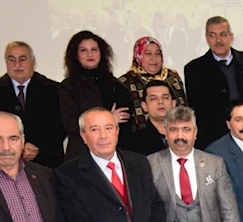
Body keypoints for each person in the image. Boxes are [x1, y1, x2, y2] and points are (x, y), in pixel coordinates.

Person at [0, 41, 65, 168]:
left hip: (48, 164)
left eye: (22, 59)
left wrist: (37, 148)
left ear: (33, 62)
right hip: (5, 164)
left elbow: (62, 127)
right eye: (11, 60)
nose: (17, 65)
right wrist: (19, 147)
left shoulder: (55, 90)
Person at [184, 16, 243, 149]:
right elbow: (197, 111)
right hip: (213, 142)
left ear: (231, 36)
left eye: (223, 34)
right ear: (206, 38)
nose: (218, 40)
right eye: (212, 35)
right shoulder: (194, 69)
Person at [59, 31, 133, 162]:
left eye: (94, 49)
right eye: (83, 50)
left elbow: (127, 116)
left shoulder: (115, 83)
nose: (90, 54)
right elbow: (70, 123)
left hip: (115, 152)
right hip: (81, 155)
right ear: (76, 55)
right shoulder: (68, 86)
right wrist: (109, 119)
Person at [118, 37, 187, 132]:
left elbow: (184, 107)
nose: (153, 58)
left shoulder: (172, 76)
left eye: (157, 54)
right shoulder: (125, 82)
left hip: (177, 133)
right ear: (138, 56)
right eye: (148, 54)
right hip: (140, 137)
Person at [120, 80, 176, 155]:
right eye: (153, 99)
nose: (160, 101)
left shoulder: (188, 135)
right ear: (144, 106)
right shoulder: (134, 143)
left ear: (173, 104)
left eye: (165, 98)